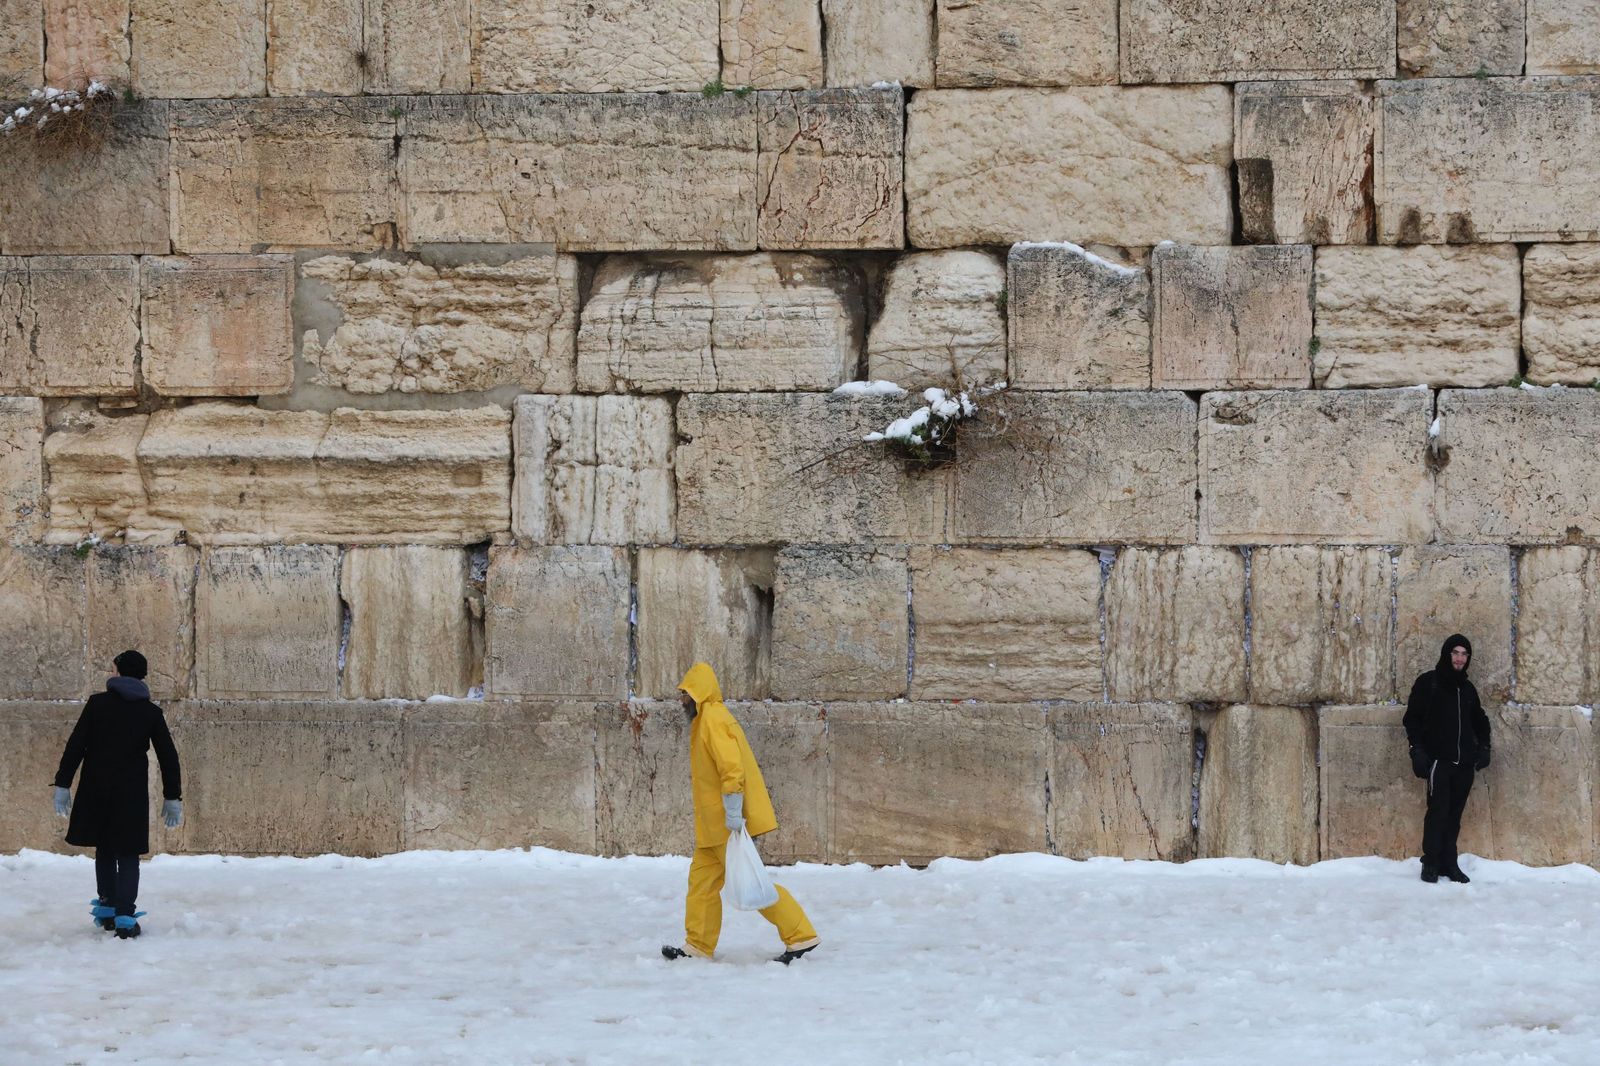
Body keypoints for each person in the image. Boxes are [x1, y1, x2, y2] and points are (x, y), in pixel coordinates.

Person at [661, 662, 820, 965]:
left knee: (751, 884)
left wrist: (734, 811)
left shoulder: (713, 719)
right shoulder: (706, 719)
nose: (682, 700)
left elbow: (731, 767)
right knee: (702, 884)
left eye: (686, 694)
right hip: (711, 824)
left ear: (699, 694)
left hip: (725, 823)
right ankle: (697, 945)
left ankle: (801, 934)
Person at [52, 650, 183, 939]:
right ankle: (125, 915)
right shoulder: (150, 712)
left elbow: (76, 745)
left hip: (97, 788)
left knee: (105, 849)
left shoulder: (97, 705)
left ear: (120, 672)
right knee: (128, 854)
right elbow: (168, 756)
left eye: (113, 669)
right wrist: (172, 796)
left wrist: (63, 783)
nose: (110, 673)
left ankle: (108, 907)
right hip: (131, 793)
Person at [1402, 634, 1491, 885]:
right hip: (1439, 762)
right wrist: (1417, 751)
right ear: (1446, 654)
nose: (1460, 658)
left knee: (1454, 816)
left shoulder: (1467, 689)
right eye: (1456, 653)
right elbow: (1412, 720)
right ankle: (1430, 862)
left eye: (1464, 654)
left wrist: (1484, 748)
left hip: (1464, 764)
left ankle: (1449, 863)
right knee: (1437, 813)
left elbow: (1480, 721)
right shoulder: (1428, 683)